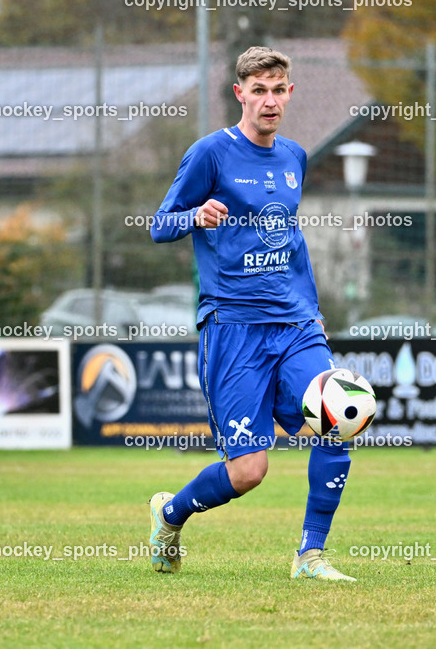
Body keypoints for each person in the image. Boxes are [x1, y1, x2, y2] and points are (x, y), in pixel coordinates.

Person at [147, 46, 357, 581]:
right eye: (258, 90)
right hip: (233, 329)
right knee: (248, 472)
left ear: (290, 92)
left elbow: (291, 240)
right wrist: (196, 214)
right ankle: (170, 515)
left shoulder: (294, 157)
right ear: (239, 93)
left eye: (278, 89)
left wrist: (313, 310)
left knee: (336, 417)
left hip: (295, 323)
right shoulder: (210, 154)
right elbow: (159, 225)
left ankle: (311, 555)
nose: (269, 100)